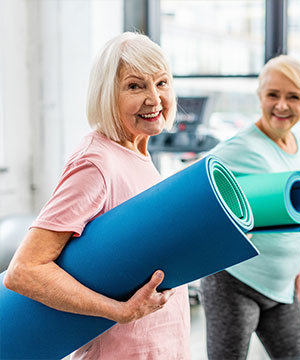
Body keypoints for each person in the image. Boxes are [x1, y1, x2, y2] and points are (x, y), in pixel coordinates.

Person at [3, 32, 191, 359]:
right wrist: (118, 310)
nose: (154, 99)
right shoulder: (96, 163)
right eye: (135, 86)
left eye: (161, 83)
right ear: (107, 94)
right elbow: (25, 270)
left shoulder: (137, 154)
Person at [200, 55, 300, 360]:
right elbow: (192, 192)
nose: (281, 105)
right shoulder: (239, 148)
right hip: (235, 282)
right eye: (273, 95)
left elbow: (299, 219)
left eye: (293, 97)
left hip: (283, 288)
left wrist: (298, 269)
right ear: (260, 96)